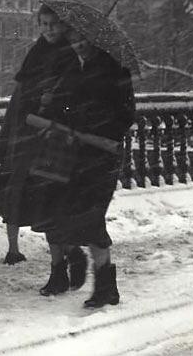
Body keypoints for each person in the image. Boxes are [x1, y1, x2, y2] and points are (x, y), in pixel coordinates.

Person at [37, 29, 136, 308]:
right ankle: (93, 281)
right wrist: (51, 107)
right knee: (64, 212)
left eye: (84, 40)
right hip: (73, 154)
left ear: (96, 40)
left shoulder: (117, 73)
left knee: (92, 218)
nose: (79, 45)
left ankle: (105, 287)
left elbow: (126, 116)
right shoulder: (72, 71)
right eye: (74, 41)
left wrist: (91, 128)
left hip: (102, 156)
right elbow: (63, 107)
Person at [0, 5, 79, 264]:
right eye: (43, 24)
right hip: (25, 129)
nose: (48, 29)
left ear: (63, 25)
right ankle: (13, 248)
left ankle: (64, 250)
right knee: (16, 187)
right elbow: (22, 92)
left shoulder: (71, 55)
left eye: (53, 24)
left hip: (53, 133)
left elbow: (74, 95)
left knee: (52, 190)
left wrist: (55, 103)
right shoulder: (36, 53)